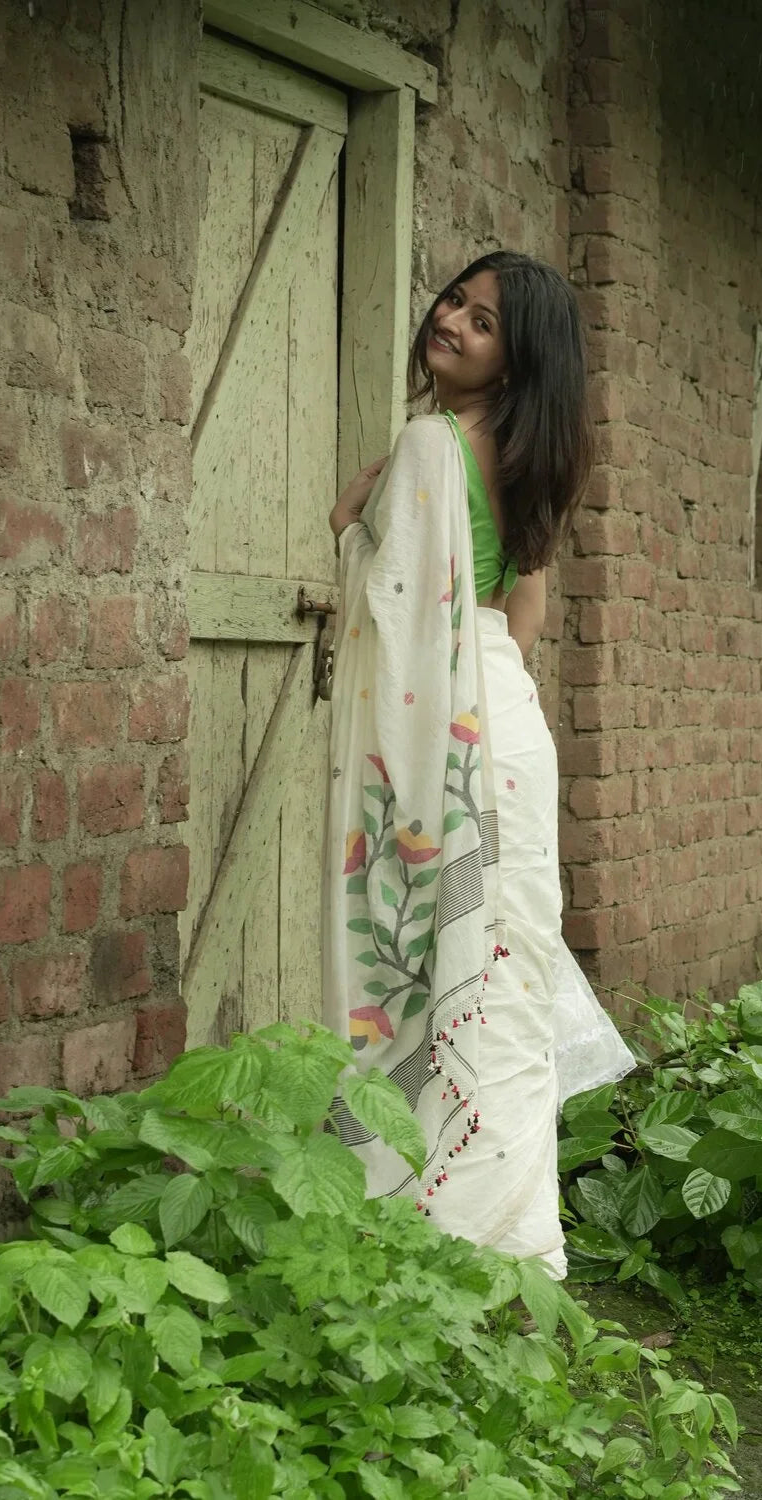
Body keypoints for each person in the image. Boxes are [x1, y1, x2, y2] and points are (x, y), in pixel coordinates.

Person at [322, 250, 594, 1279]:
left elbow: (396, 619)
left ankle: (439, 1236)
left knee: (445, 978)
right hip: (509, 735)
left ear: (516, 361)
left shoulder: (431, 444)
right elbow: (515, 624)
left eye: (485, 323)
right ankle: (511, 1246)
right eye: (454, 302)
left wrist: (349, 529)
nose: (455, 322)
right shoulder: (526, 465)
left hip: (452, 735)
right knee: (499, 983)